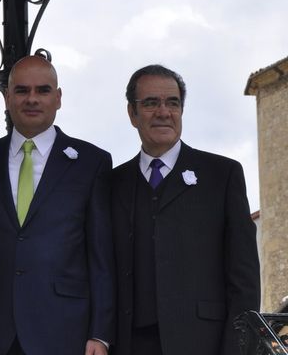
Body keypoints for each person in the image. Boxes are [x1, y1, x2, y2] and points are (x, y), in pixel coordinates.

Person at [0, 55, 115, 355]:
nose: (32, 99)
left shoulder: (91, 162)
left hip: (65, 329)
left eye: (43, 90)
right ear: (7, 97)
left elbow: (102, 255)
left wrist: (100, 333)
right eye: (21, 90)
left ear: (58, 98)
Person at [110, 64, 260, 355]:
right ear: (132, 113)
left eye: (173, 103)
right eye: (151, 103)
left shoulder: (222, 175)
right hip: (128, 344)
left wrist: (238, 349)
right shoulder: (112, 183)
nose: (164, 112)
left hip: (204, 342)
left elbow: (244, 278)